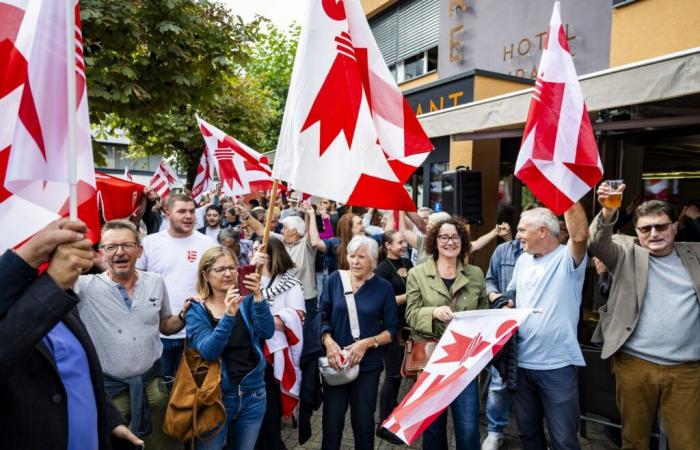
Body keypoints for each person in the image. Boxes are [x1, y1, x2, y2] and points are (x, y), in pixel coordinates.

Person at [0, 218, 143, 450]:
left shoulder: (55, 299)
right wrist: (50, 280)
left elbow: (80, 369)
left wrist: (110, 420)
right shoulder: (49, 295)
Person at [588, 186, 700, 450]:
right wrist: (608, 210)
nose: (653, 234)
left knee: (688, 443)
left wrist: (695, 220)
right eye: (645, 229)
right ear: (636, 232)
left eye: (661, 227)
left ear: (675, 227)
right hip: (635, 364)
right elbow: (596, 242)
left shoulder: (695, 254)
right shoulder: (626, 252)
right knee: (634, 441)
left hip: (687, 369)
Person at [76, 220, 189, 449]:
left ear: (140, 249)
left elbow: (165, 325)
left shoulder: (155, 282)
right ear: (101, 253)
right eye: (111, 247)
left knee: (162, 444)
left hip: (153, 386)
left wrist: (184, 315)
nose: (120, 252)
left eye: (127, 245)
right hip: (110, 393)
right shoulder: (83, 287)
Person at [507, 204, 589, 450]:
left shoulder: (567, 258)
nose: (517, 235)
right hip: (521, 365)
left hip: (557, 367)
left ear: (542, 231)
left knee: (564, 440)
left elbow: (581, 236)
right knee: (528, 436)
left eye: (522, 230)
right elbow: (513, 295)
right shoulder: (522, 260)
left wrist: (566, 194)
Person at [405, 218, 489, 450]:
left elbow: (482, 314)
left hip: (464, 361)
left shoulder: (476, 274)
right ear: (435, 241)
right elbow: (410, 315)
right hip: (432, 362)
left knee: (469, 428)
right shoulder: (417, 274)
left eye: (455, 237)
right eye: (444, 237)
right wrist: (433, 312)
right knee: (432, 429)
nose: (450, 242)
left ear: (463, 241)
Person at [185, 246, 275, 450]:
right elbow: (209, 351)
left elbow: (267, 331)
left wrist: (259, 297)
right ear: (205, 275)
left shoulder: (247, 301)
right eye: (220, 269)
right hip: (215, 397)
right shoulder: (197, 310)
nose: (227, 274)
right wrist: (228, 316)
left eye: (232, 268)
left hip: (253, 393)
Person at [319, 236, 398, 450]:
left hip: (367, 366)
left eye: (361, 257)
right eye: (352, 256)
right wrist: (328, 341)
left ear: (373, 260)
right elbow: (321, 315)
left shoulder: (383, 288)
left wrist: (367, 343)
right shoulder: (335, 279)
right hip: (336, 362)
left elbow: (391, 330)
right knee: (331, 423)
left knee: (363, 423)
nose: (355, 261)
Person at [136, 193, 217, 384]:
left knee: (189, 392)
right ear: (167, 214)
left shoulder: (207, 244)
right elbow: (136, 280)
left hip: (194, 332)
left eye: (191, 211)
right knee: (159, 392)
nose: (188, 216)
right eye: (181, 211)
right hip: (156, 331)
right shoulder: (150, 242)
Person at [255, 238, 306, 450]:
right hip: (250, 350)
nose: (256, 253)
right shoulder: (249, 278)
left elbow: (296, 319)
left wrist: (259, 316)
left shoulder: (290, 283)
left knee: (270, 406)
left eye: (260, 250)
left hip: (274, 353)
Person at [242, 206, 319, 318]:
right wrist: (246, 216)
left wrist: (310, 215)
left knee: (304, 332)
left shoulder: (306, 245)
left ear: (295, 231)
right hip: (282, 294)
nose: (281, 230)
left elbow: (313, 239)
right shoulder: (280, 242)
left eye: (285, 228)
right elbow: (262, 230)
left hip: (306, 298)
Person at [482, 228, 521, 450]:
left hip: (534, 327)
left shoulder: (554, 254)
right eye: (521, 227)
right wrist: (495, 296)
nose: (521, 231)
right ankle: (495, 431)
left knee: (533, 384)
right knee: (499, 382)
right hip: (506, 325)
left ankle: (532, 432)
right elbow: (490, 280)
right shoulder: (503, 250)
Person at [374, 229, 413, 445]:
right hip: (392, 327)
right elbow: (385, 302)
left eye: (404, 241)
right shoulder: (382, 270)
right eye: (399, 242)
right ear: (387, 245)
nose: (404, 245)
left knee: (398, 373)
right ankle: (383, 423)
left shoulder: (408, 262)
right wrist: (411, 295)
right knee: (391, 375)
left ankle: (394, 411)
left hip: (408, 325)